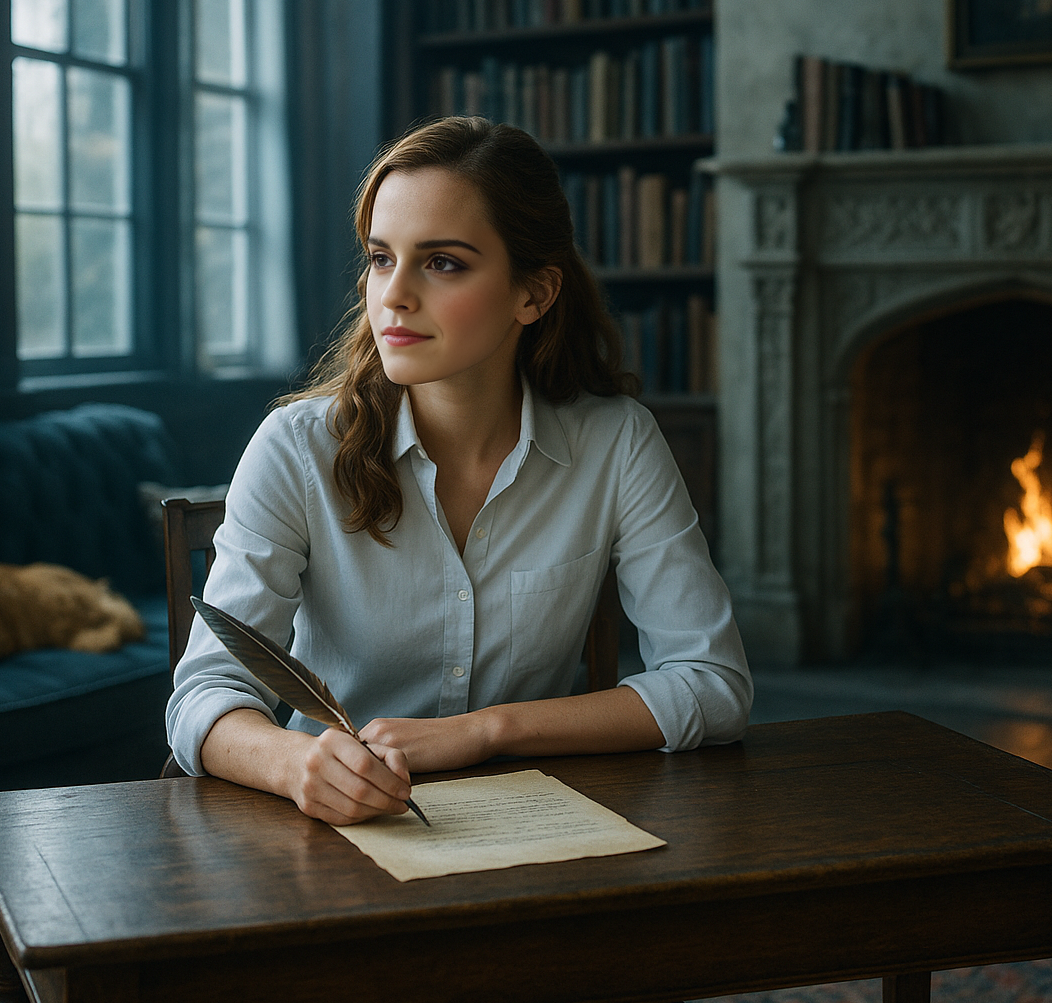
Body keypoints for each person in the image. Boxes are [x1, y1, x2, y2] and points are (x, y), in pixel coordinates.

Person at [167, 115, 751, 832]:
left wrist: (487, 730)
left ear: (532, 295)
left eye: (442, 262)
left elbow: (713, 684)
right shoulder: (295, 448)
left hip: (537, 829)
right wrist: (297, 765)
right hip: (331, 836)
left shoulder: (616, 442)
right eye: (382, 258)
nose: (394, 296)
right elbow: (203, 695)